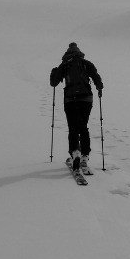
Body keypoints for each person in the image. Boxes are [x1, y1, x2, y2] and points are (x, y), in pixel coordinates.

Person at [49, 42, 103, 173]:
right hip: (86, 99)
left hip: (70, 100)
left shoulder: (65, 65)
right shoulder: (86, 63)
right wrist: (99, 88)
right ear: (79, 52)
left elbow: (53, 83)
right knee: (83, 126)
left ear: (67, 53)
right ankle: (85, 156)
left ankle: (75, 153)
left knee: (73, 127)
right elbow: (97, 79)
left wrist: (54, 72)